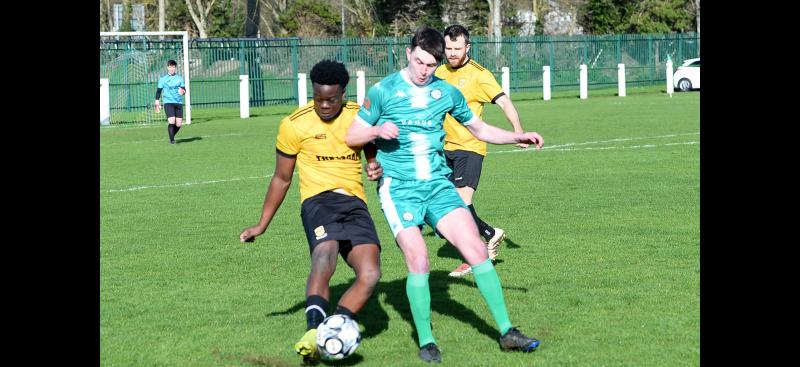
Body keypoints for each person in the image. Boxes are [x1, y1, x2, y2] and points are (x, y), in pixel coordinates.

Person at [345, 26, 544, 364]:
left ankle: (507, 332)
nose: (424, 71)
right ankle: (427, 341)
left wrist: (517, 136)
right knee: (419, 259)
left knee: (476, 249)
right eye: (419, 62)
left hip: (438, 186)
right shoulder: (383, 91)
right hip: (400, 189)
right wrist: (377, 130)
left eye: (431, 65)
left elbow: (479, 129)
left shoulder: (446, 92)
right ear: (408, 53)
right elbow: (352, 135)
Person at [239, 60, 383, 364]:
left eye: (332, 99)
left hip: (355, 204)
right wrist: (261, 225)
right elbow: (282, 178)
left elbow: (371, 145)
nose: (325, 106)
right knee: (324, 257)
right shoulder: (294, 124)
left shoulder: (359, 116)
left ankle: (333, 329)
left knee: (370, 274)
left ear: (343, 94)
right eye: (318, 99)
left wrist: (372, 163)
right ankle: (314, 330)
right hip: (318, 203)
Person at [435, 24, 529, 277]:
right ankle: (490, 233)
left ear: (468, 47)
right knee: (443, 208)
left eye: (457, 48)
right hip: (444, 149)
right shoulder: (440, 72)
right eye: (448, 48)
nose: (452, 53)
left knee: (461, 204)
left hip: (470, 147)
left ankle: (473, 257)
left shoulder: (479, 74)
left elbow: (504, 102)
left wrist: (518, 131)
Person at [154, 59, 186, 144]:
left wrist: (183, 91)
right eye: (170, 67)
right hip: (168, 102)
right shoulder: (163, 79)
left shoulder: (179, 78)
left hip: (178, 102)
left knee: (178, 124)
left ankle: (171, 136)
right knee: (171, 121)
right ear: (167, 68)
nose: (172, 69)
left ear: (175, 68)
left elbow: (183, 90)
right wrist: (157, 101)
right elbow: (158, 91)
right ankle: (172, 141)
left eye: (173, 67)